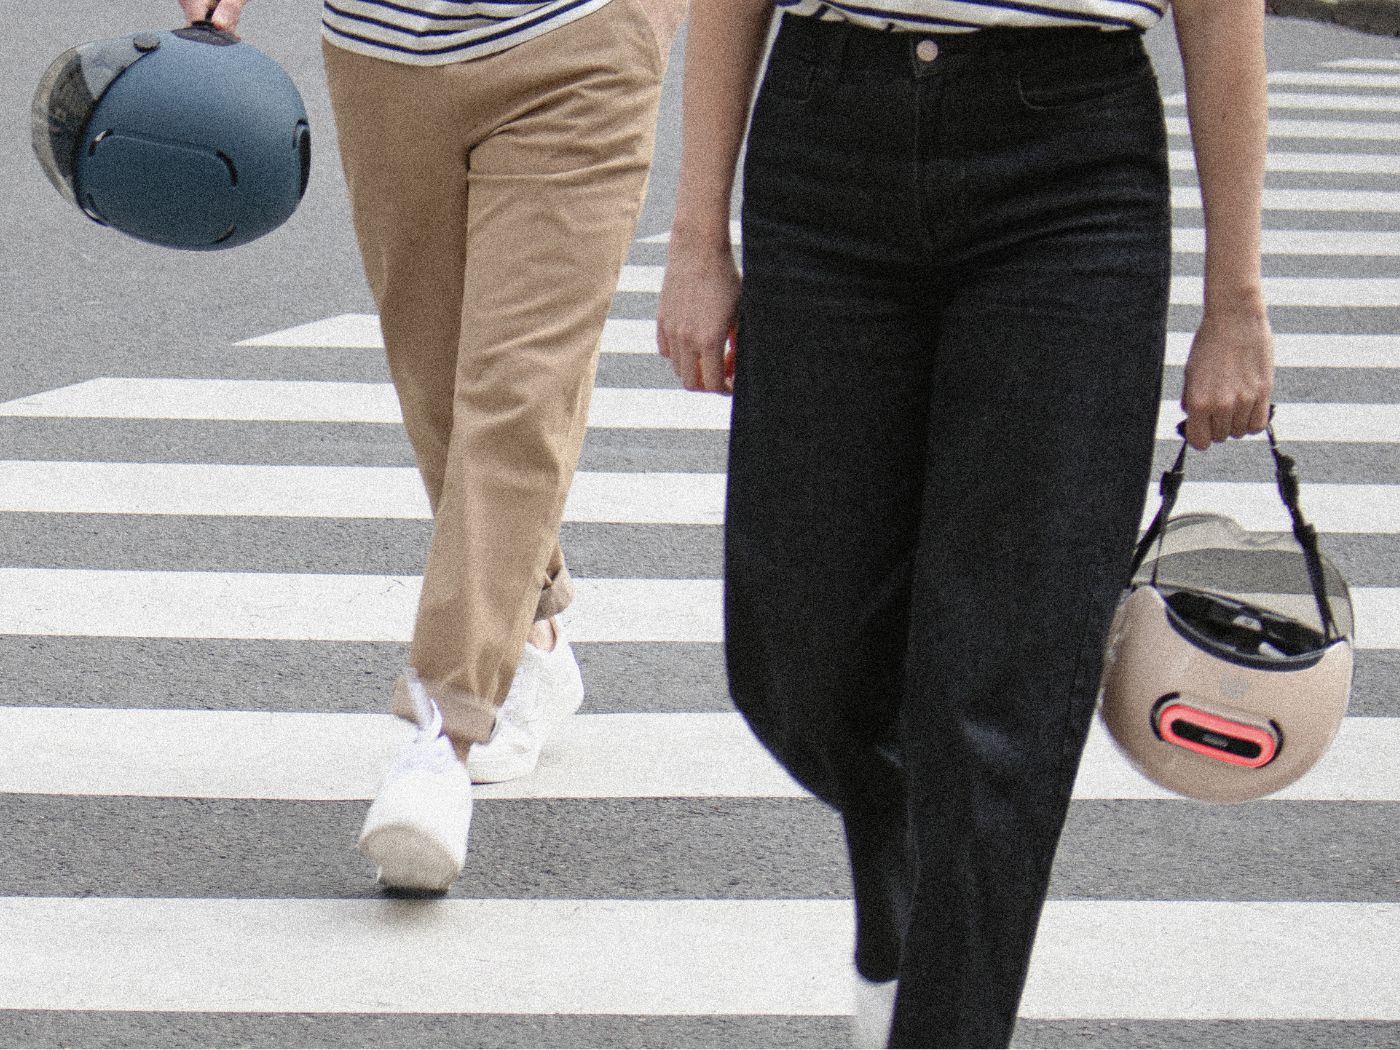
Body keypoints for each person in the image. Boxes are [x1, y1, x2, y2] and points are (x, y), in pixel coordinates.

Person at [657, 1, 1273, 1046]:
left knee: (1002, 698)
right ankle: (911, 875)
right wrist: (694, 235)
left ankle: (945, 1009)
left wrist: (1235, 298)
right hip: (823, 136)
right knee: (798, 656)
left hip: (1066, 167)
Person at [182, 0, 687, 892]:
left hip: (581, 43)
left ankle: (437, 740)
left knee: (517, 391)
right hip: (382, 55)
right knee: (441, 381)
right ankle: (531, 637)